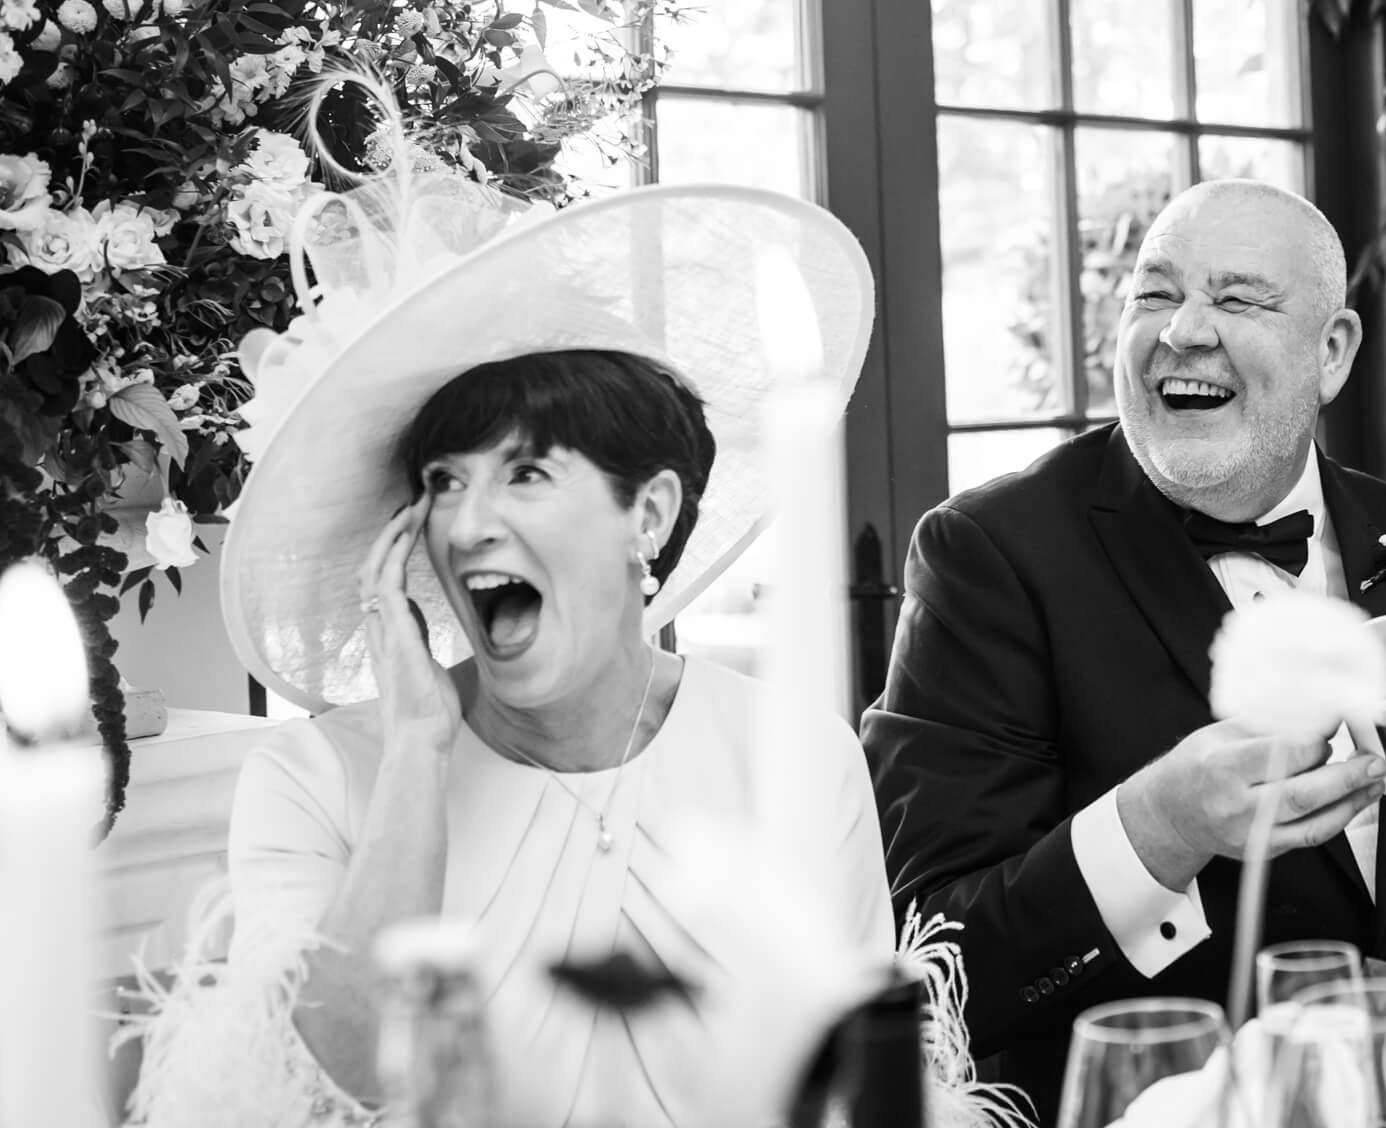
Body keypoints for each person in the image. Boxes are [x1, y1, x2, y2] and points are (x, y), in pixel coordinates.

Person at [123, 152, 896, 1127]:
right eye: (445, 481)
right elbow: (348, 1063)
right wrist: (415, 748)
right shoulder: (314, 776)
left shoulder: (798, 753)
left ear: (647, 513)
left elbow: (866, 1091)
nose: (472, 520)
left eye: (527, 472)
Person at [861, 179, 1386, 1119]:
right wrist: (1156, 830)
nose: (1183, 331)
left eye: (1239, 299)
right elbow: (941, 967)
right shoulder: (989, 557)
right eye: (1155, 293)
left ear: (1332, 353)